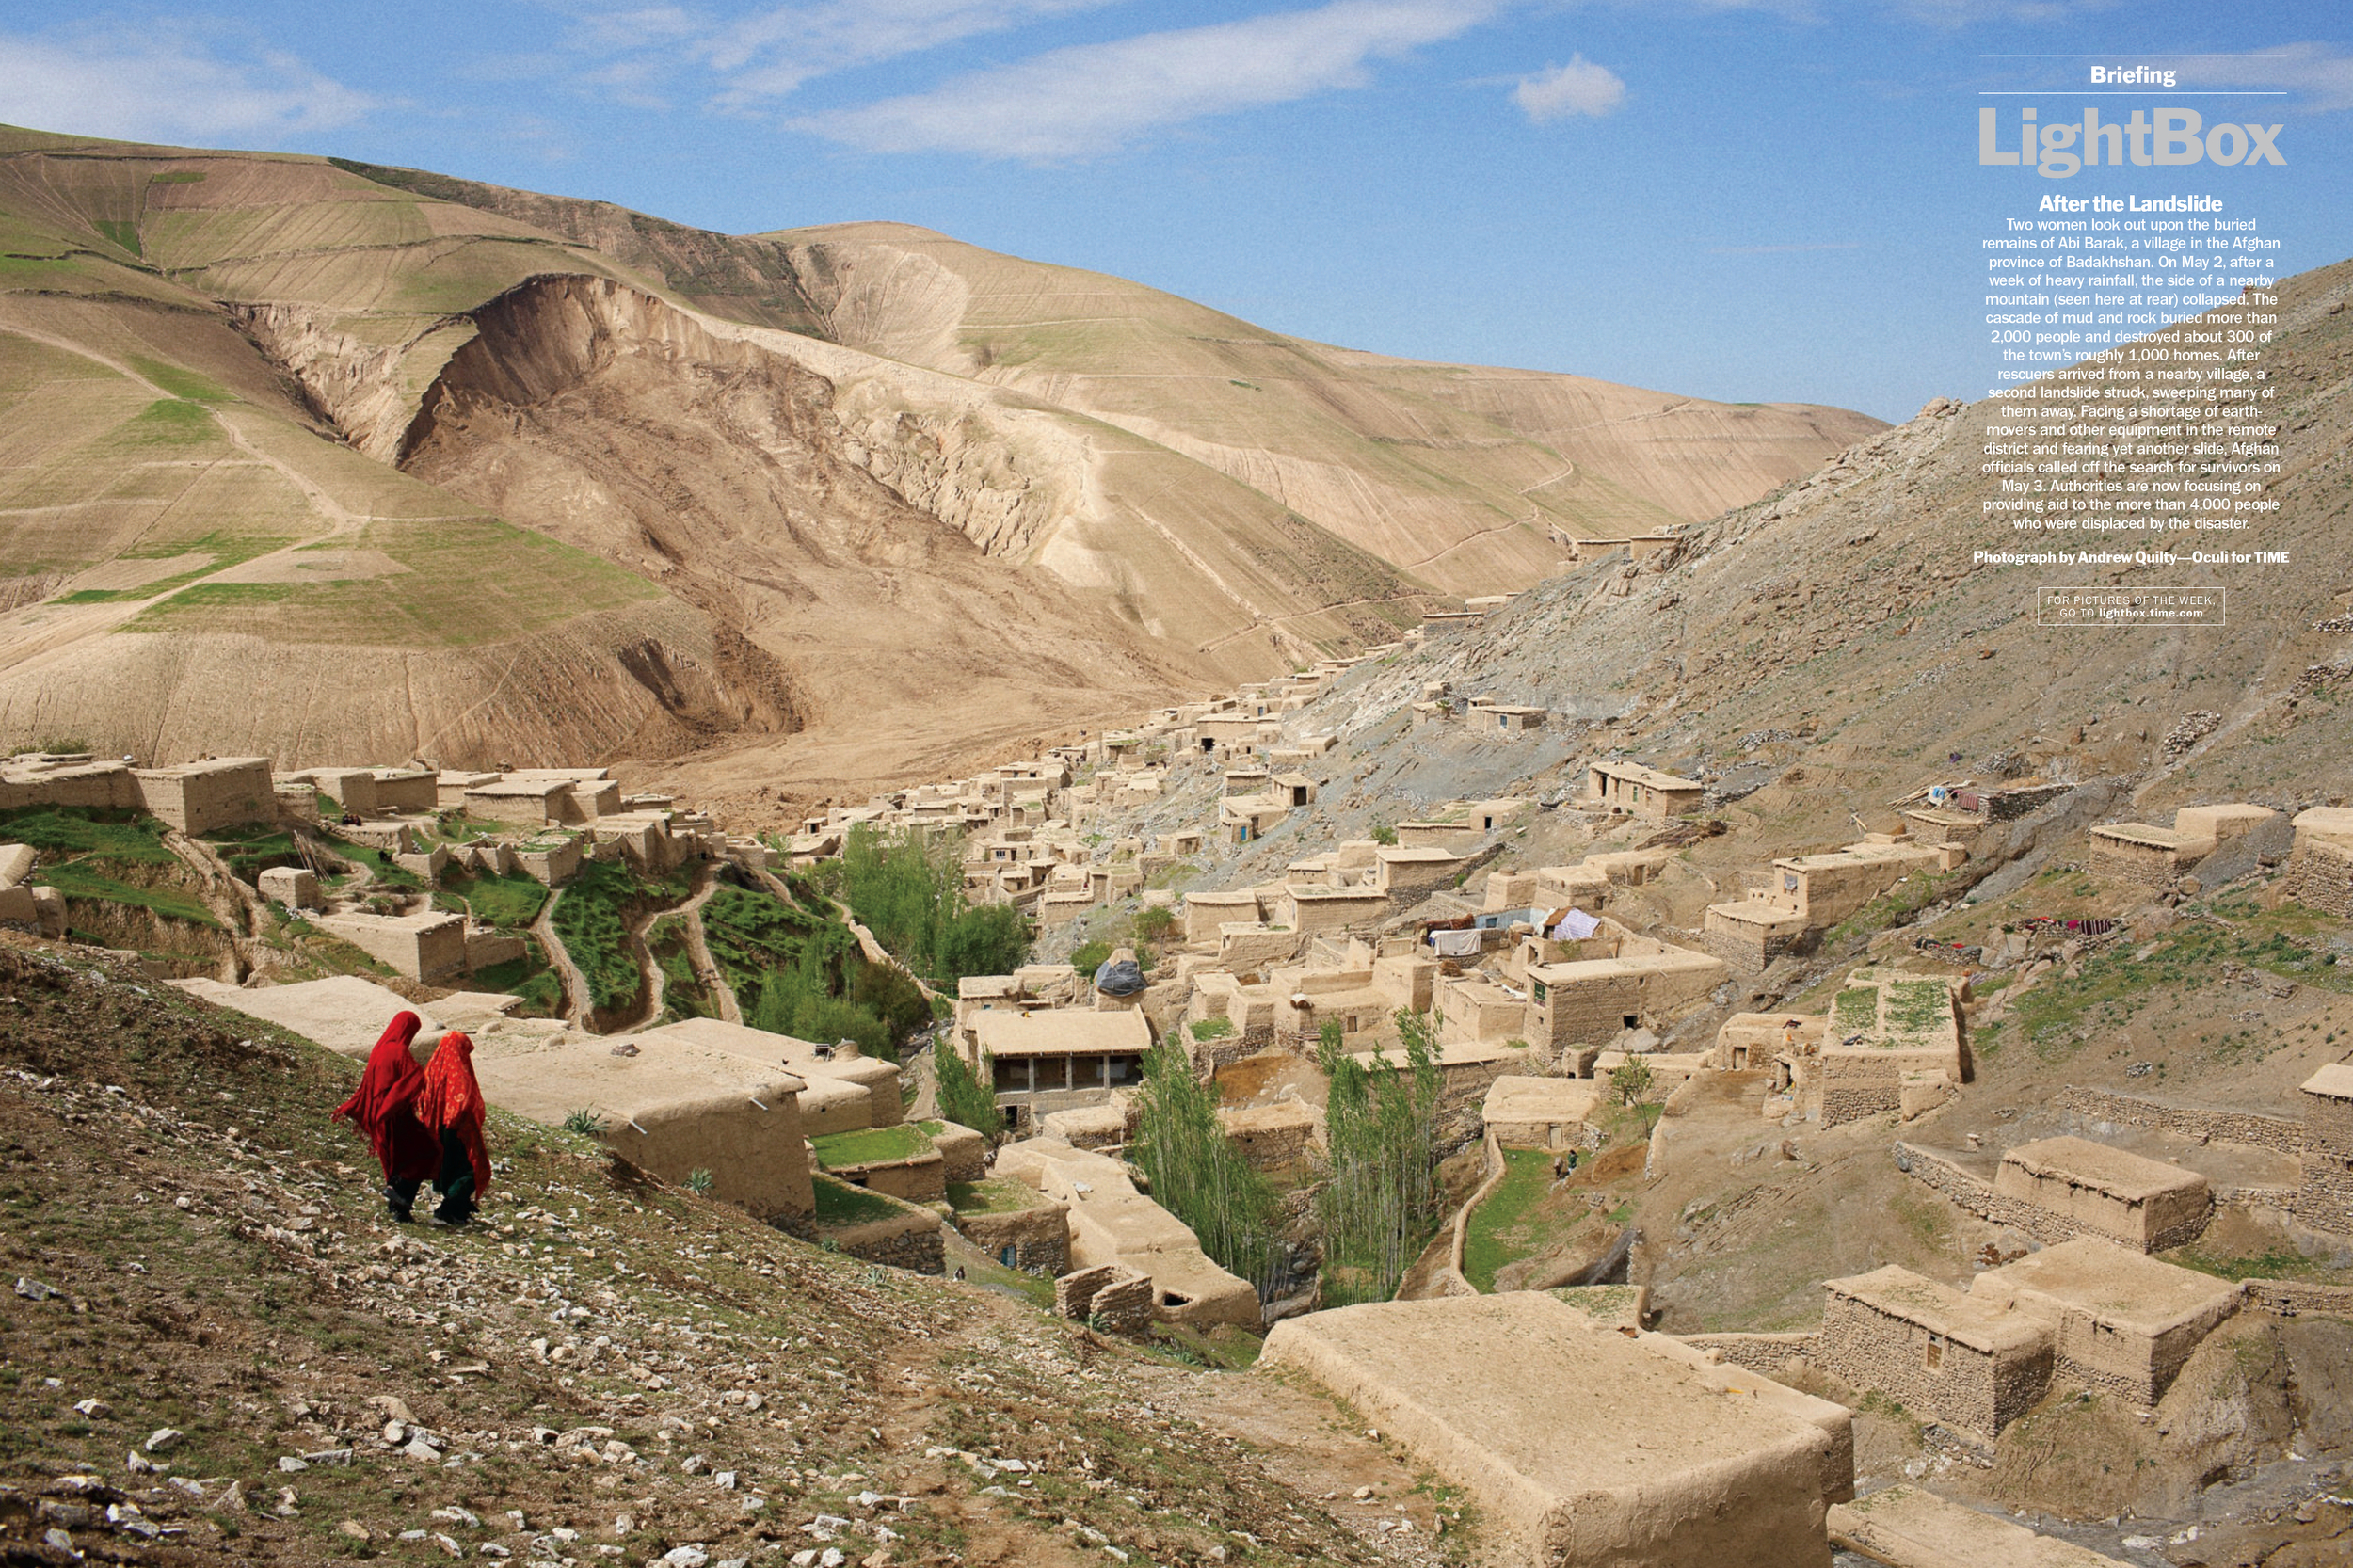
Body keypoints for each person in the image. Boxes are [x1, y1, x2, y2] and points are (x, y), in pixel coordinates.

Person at [330, 1011, 439, 1223]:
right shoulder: (399, 1052)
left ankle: (398, 1209)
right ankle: (399, 1194)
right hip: (393, 1114)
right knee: (428, 1150)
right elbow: (415, 1077)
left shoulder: (379, 1050)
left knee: (396, 1158)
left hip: (377, 1114)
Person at [415, 1030, 492, 1226]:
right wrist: (463, 1122)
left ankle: (458, 1210)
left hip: (436, 1127)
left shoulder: (435, 1067)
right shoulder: (459, 1071)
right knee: (472, 1170)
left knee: (450, 1170)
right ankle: (448, 1210)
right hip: (458, 1130)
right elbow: (464, 1102)